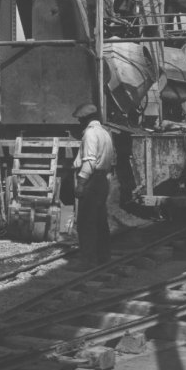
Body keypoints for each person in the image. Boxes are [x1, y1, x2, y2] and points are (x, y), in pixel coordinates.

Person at [71, 103, 115, 269]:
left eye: (80, 120)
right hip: (102, 180)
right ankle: (103, 257)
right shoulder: (105, 133)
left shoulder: (89, 134)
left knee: (86, 222)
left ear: (85, 119)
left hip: (92, 181)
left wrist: (81, 184)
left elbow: (89, 162)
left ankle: (87, 261)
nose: (79, 123)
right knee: (100, 221)